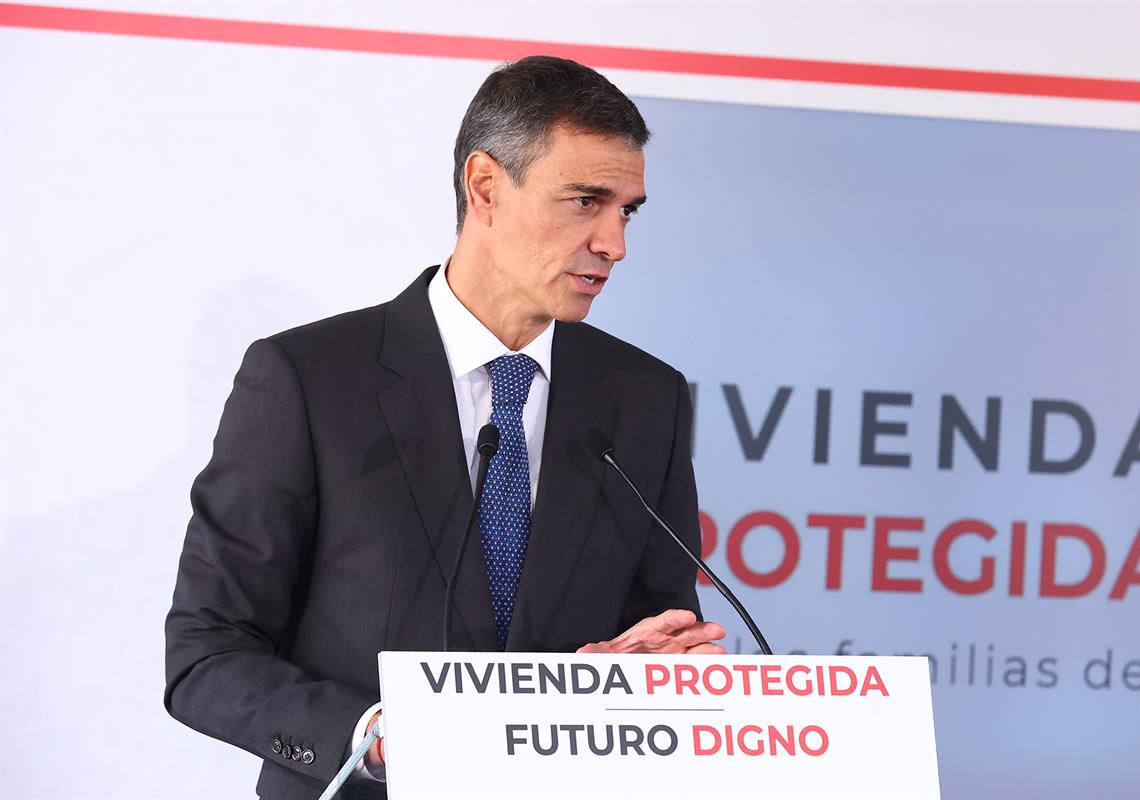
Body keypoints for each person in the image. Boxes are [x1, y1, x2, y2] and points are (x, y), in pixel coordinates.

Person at [165, 55, 725, 799]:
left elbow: (660, 632)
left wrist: (647, 672)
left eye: (627, 210)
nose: (614, 243)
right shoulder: (308, 379)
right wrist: (370, 735)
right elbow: (206, 653)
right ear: (485, 187)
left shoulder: (647, 398)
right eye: (586, 202)